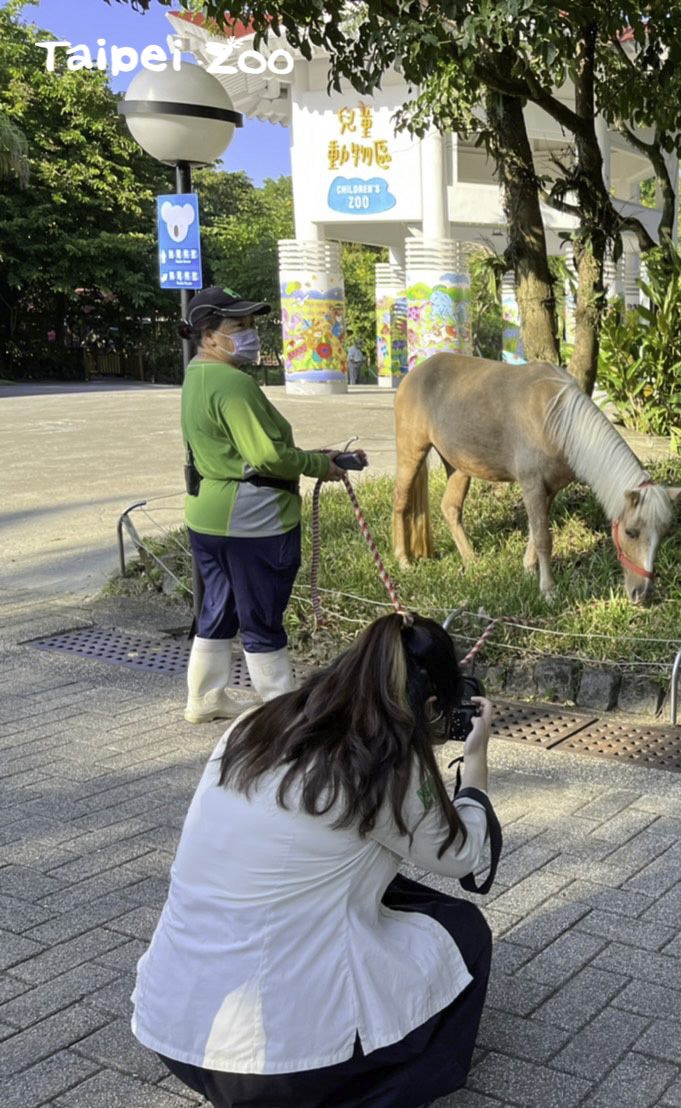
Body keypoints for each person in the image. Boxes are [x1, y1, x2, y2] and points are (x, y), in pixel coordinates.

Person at [132, 613, 501, 1108]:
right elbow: (460, 856)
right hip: (275, 1069)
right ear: (430, 705)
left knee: (381, 892)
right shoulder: (386, 764)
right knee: (466, 932)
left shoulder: (256, 723)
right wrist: (473, 764)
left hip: (177, 1032)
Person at [179, 287, 364, 723]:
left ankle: (204, 698)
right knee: (262, 615)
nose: (249, 334)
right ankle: (281, 712)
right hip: (253, 519)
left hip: (207, 515)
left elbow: (239, 449)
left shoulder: (197, 375)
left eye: (250, 324)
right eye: (237, 326)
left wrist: (309, 454)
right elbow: (265, 457)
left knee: (217, 607)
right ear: (208, 335)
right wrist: (320, 465)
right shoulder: (233, 383)